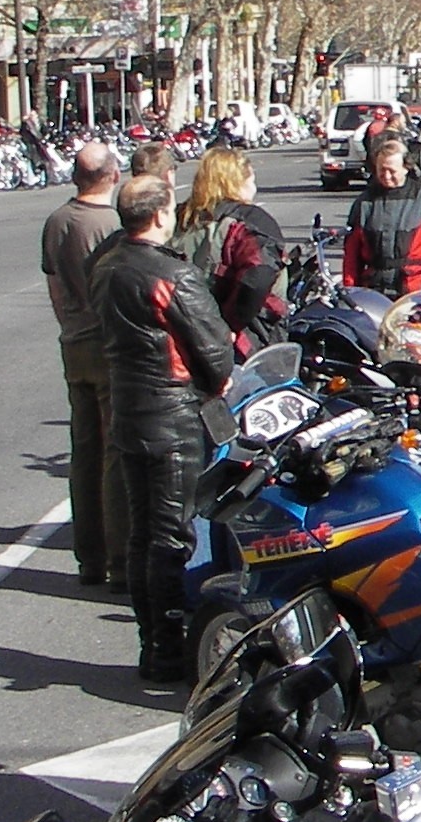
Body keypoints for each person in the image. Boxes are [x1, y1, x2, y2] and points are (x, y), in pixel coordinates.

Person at [100, 171, 235, 685]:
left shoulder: (107, 265)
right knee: (170, 537)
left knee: (144, 533)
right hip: (172, 414)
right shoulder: (171, 275)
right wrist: (217, 379)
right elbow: (214, 350)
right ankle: (166, 647)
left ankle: (153, 643)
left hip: (130, 408)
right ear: (160, 214)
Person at [42, 141, 126, 590]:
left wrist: (69, 325)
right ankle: (118, 558)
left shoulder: (58, 221)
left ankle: (89, 557)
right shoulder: (112, 225)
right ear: (112, 175)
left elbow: (55, 286)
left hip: (74, 341)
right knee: (115, 453)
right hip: (108, 344)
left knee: (85, 450)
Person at [174, 146, 287, 353]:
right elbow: (258, 276)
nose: (254, 189)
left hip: (183, 330)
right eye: (251, 181)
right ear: (237, 182)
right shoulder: (249, 221)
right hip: (244, 341)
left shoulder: (181, 217)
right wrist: (229, 325)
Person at [341, 136, 421, 295]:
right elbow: (351, 252)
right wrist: (351, 288)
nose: (386, 176)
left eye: (392, 171)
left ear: (406, 167)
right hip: (374, 289)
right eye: (382, 170)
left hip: (415, 289)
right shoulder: (364, 202)